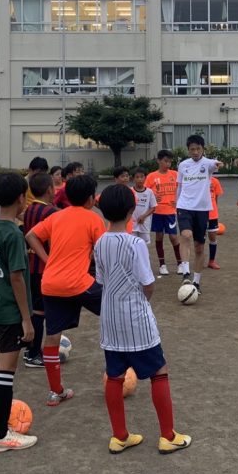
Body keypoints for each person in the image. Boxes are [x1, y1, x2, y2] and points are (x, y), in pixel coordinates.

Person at [94, 184, 192, 454]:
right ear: (131, 211)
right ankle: (168, 436)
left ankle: (119, 436)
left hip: (110, 320)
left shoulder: (100, 242)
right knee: (159, 371)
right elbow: (147, 283)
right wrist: (143, 301)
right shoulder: (135, 243)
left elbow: (100, 280)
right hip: (135, 318)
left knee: (114, 376)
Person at [26, 174, 105, 406]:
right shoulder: (93, 219)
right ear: (90, 198)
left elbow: (31, 235)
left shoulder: (57, 216)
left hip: (51, 283)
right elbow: (103, 251)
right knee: (115, 312)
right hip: (79, 283)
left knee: (52, 336)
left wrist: (47, 259)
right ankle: (119, 371)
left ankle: (55, 392)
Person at [0, 171, 39, 452]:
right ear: (20, 198)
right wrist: (26, 319)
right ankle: (1, 436)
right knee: (6, 371)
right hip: (11, 311)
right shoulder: (14, 234)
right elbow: (16, 277)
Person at [174, 135, 223, 294]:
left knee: (199, 247)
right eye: (192, 149)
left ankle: (196, 282)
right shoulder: (183, 165)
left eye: (198, 149)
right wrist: (176, 204)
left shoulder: (208, 164)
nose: (195, 152)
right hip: (184, 206)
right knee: (186, 235)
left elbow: (215, 164)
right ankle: (185, 274)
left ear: (203, 149)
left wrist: (218, 164)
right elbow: (179, 186)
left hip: (202, 209)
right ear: (188, 150)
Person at [21, 173, 59, 369]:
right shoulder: (51, 212)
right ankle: (33, 353)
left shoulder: (29, 209)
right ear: (49, 190)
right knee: (41, 311)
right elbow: (52, 241)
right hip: (43, 267)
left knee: (35, 308)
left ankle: (30, 348)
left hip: (30, 266)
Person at [145, 150, 183, 276]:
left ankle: (180, 264)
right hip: (157, 212)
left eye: (170, 162)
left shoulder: (175, 174)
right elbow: (145, 192)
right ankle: (162, 265)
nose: (168, 164)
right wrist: (153, 197)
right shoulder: (151, 176)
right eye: (165, 161)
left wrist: (178, 201)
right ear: (158, 161)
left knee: (173, 237)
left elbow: (183, 189)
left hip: (171, 212)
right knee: (159, 236)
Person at [131, 166, 157, 245]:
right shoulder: (130, 191)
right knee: (132, 245)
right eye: (137, 177)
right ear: (133, 179)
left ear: (145, 178)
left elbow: (153, 207)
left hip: (144, 224)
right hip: (132, 224)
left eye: (142, 177)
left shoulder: (149, 192)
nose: (140, 179)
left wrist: (143, 216)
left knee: (144, 246)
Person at [207, 175, 224, 270]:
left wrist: (215, 211)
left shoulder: (215, 181)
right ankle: (199, 259)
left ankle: (211, 261)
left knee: (213, 238)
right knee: (199, 240)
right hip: (200, 213)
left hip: (212, 214)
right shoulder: (198, 179)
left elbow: (216, 198)